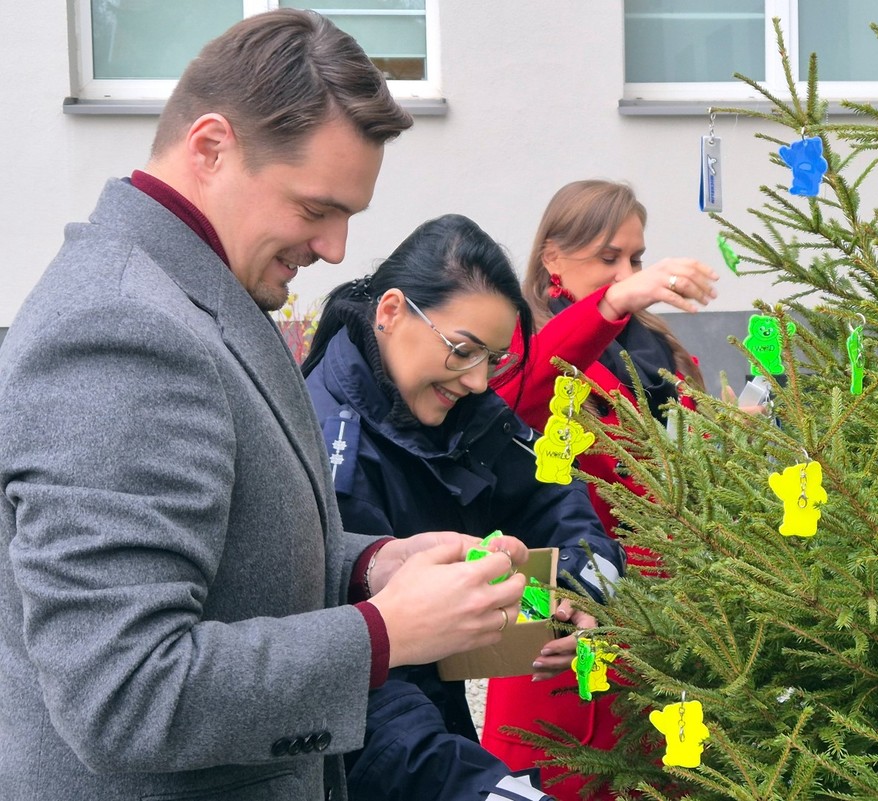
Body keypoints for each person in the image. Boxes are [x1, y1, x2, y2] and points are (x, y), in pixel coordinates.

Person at [0, 11, 527, 801]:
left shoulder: (192, 295)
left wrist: (371, 566)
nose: (337, 249)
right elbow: (124, 694)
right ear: (211, 148)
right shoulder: (122, 327)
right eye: (316, 209)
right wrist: (384, 635)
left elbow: (221, 555)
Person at [301, 213, 625, 801]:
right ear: (392, 312)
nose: (478, 381)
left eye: (495, 360)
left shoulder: (456, 409)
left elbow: (556, 493)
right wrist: (485, 789)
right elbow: (359, 689)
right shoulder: (328, 450)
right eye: (463, 351)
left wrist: (578, 594)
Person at [485, 180, 720, 800]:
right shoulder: (522, 338)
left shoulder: (653, 343)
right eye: (609, 258)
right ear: (553, 259)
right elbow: (522, 397)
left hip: (661, 608)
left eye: (636, 259)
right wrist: (614, 302)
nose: (628, 273)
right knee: (564, 774)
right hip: (563, 597)